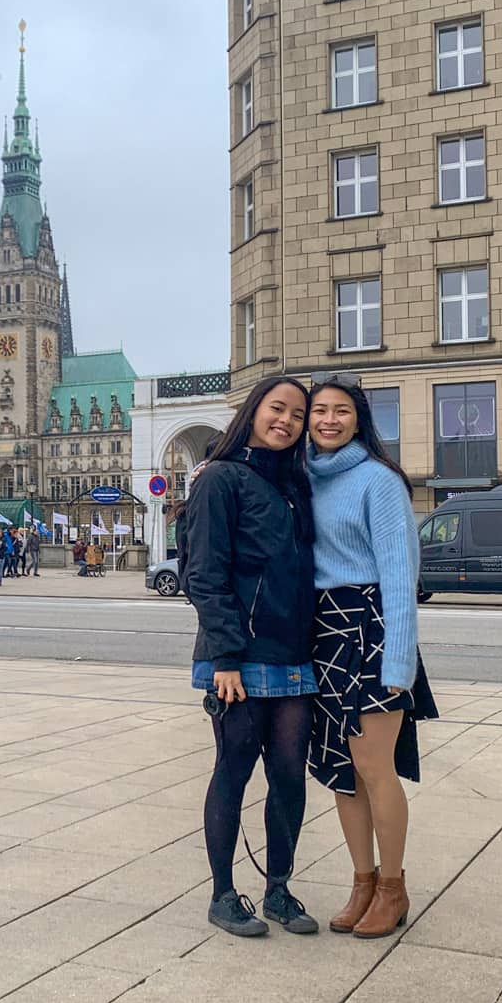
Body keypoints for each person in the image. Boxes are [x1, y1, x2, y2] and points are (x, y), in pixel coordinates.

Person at [181, 374, 318, 939]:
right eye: (276, 408)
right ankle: (222, 893)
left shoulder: (296, 486)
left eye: (296, 416)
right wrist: (226, 658)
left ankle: (279, 889)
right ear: (253, 411)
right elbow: (202, 574)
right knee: (233, 772)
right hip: (238, 654)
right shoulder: (220, 479)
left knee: (288, 776)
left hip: (293, 653)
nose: (285, 421)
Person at [306, 376, 438, 939]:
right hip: (322, 634)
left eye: (341, 411)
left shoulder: (378, 482)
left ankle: (393, 888)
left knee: (373, 768)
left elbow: (399, 575)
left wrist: (398, 666)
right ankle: (361, 881)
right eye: (319, 411)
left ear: (359, 419)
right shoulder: (304, 479)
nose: (328, 420)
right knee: (342, 775)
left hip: (371, 629)